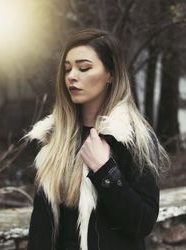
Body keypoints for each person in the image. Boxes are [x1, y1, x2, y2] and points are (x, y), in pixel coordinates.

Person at [25, 28, 169, 250]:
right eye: (67, 69)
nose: (72, 76)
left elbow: (142, 223)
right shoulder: (54, 137)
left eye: (84, 68)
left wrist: (106, 171)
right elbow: (40, 228)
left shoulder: (132, 137)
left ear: (110, 74)